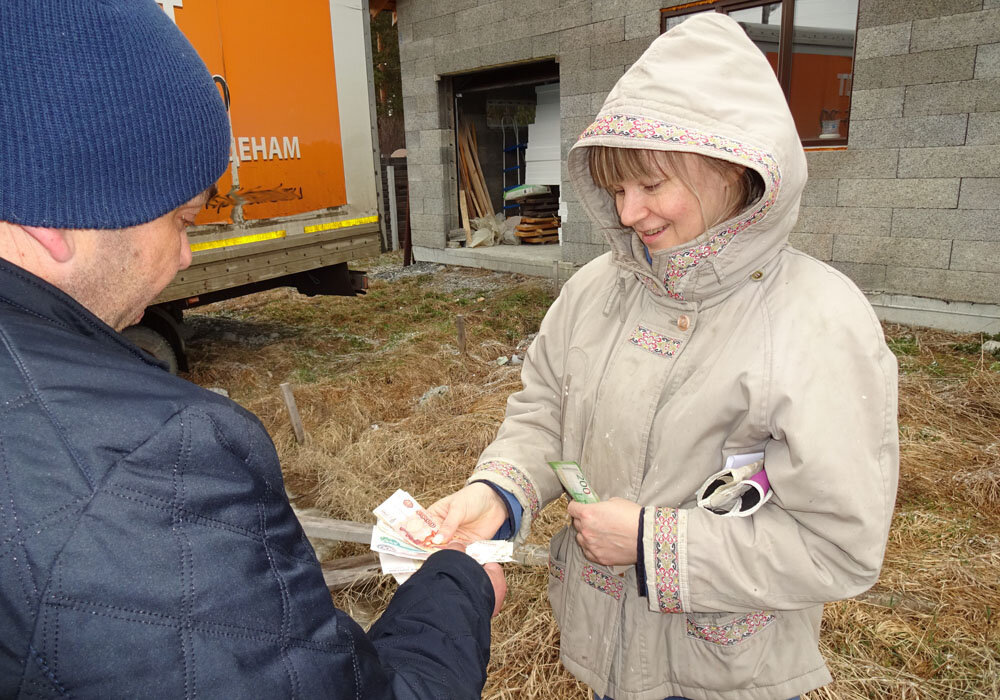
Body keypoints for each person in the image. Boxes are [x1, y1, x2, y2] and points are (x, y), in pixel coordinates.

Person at [0, 2, 504, 698]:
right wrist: (458, 585)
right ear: (61, 212)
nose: (183, 256)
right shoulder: (148, 464)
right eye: (181, 220)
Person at [429, 12, 899, 700]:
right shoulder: (597, 291)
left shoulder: (819, 323)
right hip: (607, 652)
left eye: (651, 185)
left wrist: (656, 545)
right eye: (617, 188)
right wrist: (495, 494)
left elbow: (838, 546)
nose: (627, 214)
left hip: (726, 674)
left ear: (735, 166)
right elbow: (545, 414)